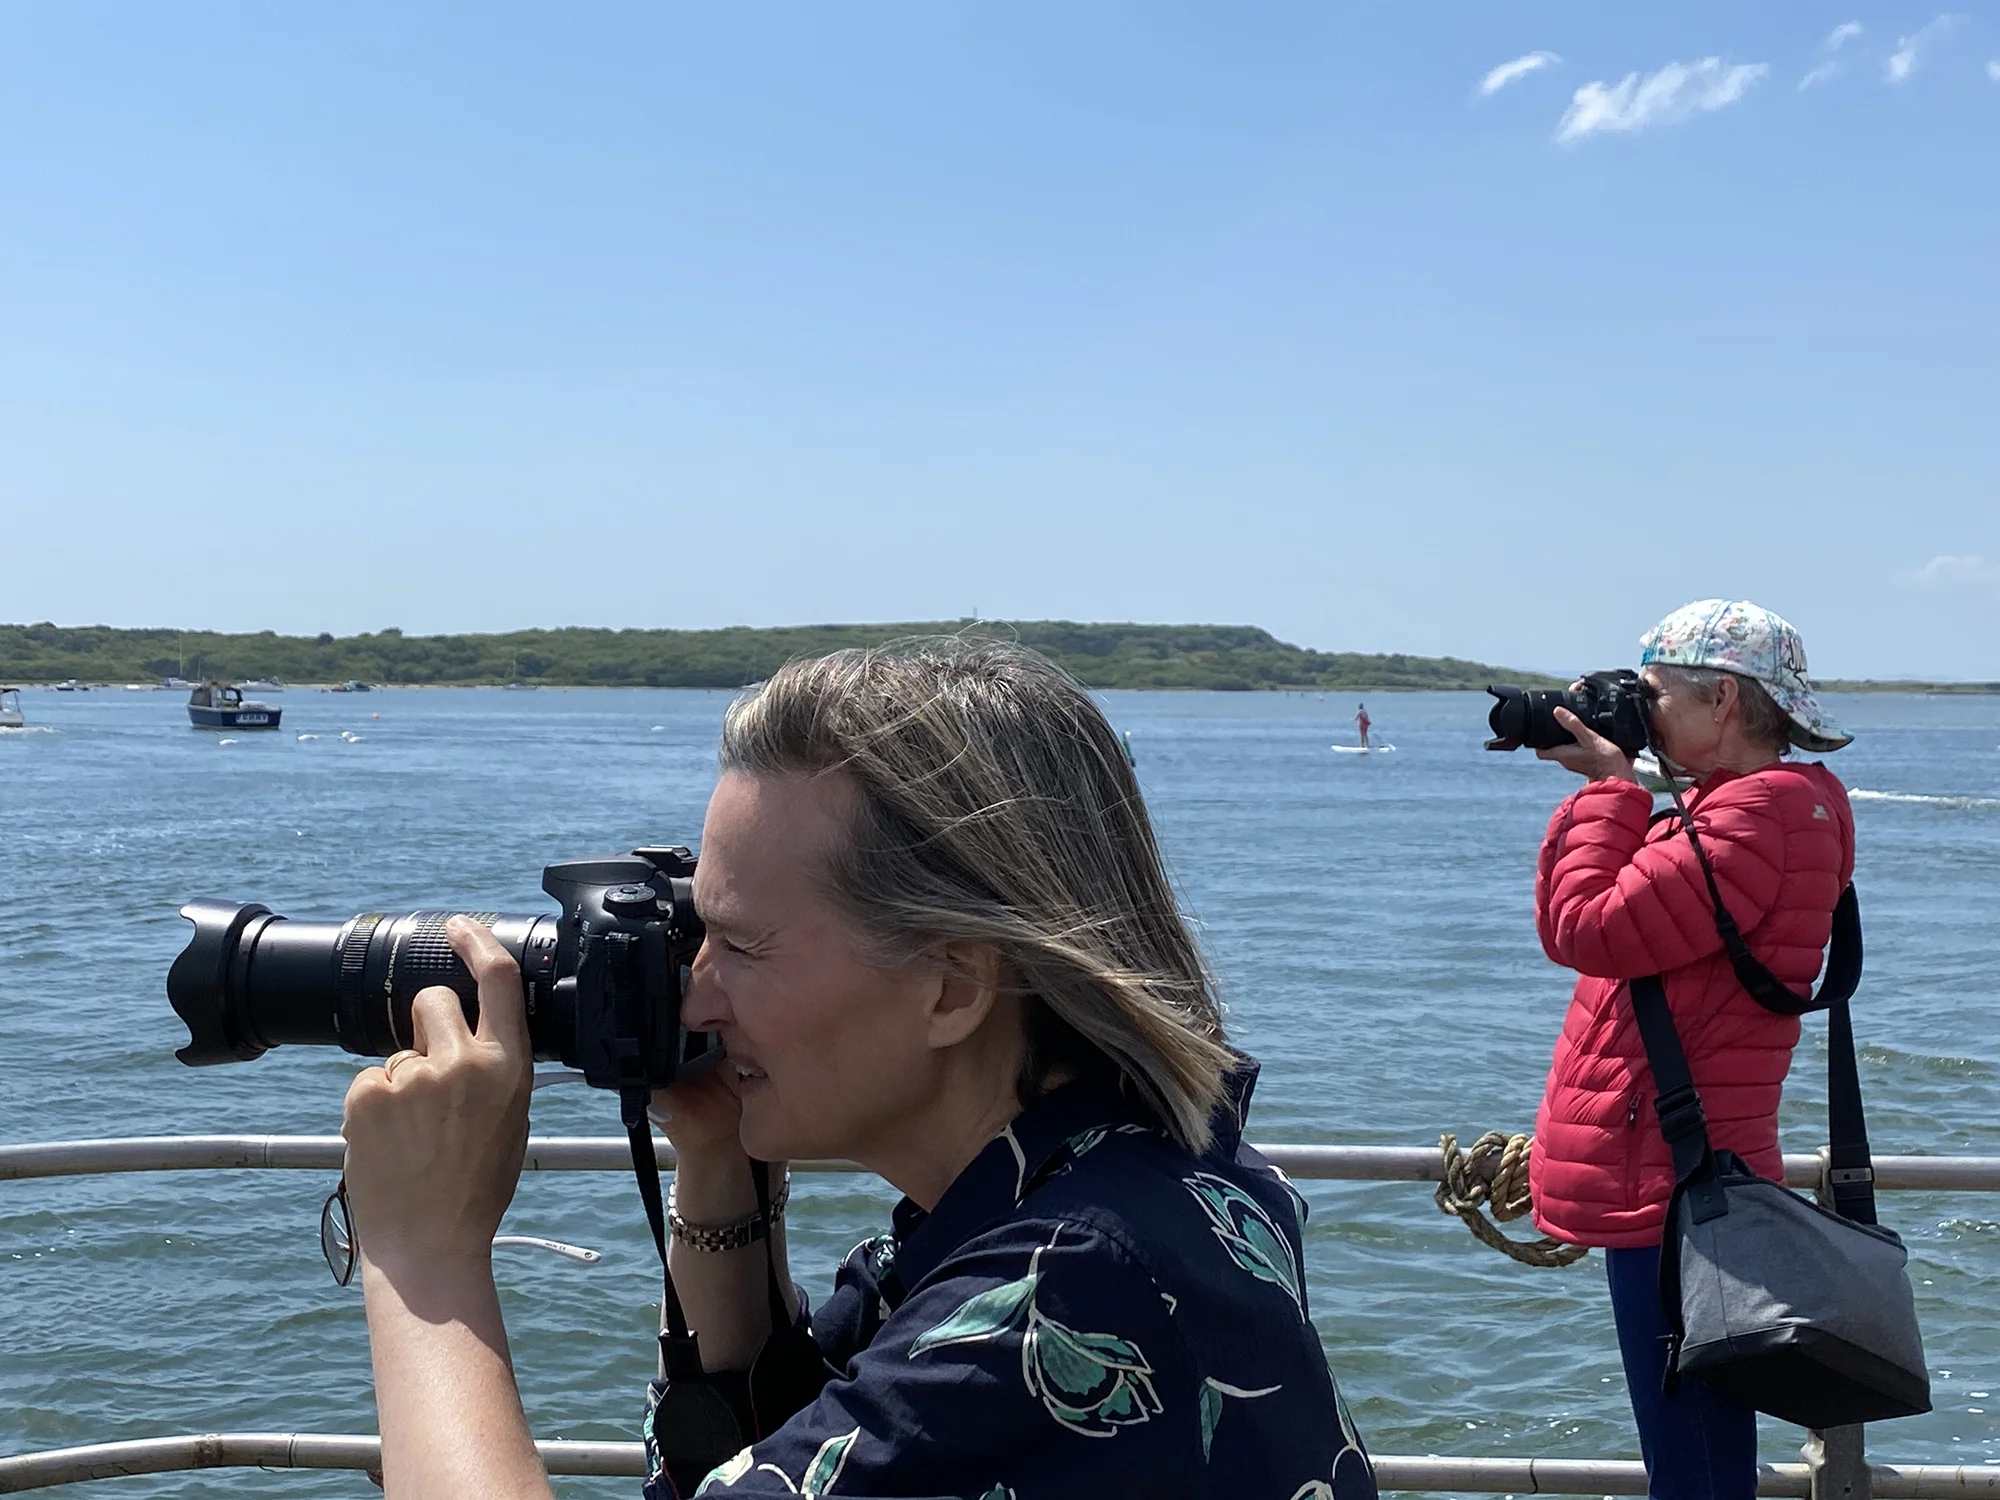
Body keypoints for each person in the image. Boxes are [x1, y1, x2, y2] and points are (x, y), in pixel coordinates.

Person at [339, 639, 1376, 1500]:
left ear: (950, 988)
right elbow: (767, 1453)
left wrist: (422, 1256)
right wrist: (714, 1159)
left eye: (740, 948)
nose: (696, 995)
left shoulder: (1064, 1291)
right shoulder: (1133, 1181)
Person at [1526, 600, 1856, 1500]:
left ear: (1723, 702)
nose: (1640, 709)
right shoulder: (1755, 810)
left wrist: (1608, 791)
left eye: (1656, 693)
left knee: (1696, 1465)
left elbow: (1585, 925)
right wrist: (1634, 787)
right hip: (1682, 1174)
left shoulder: (1756, 817)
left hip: (1674, 1186)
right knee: (1696, 1453)